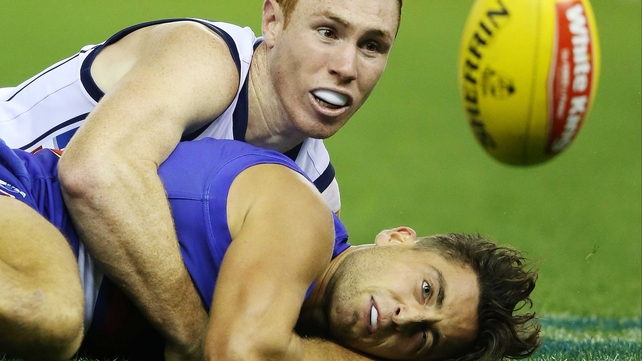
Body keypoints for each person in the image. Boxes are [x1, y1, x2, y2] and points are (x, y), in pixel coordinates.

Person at [0, 0, 403, 357]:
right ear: (274, 21)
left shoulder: (314, 192)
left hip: (43, 246)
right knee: (49, 312)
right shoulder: (208, 58)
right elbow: (94, 174)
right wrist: (195, 337)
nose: (346, 68)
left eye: (372, 46)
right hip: (12, 178)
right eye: (328, 32)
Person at [0, 137, 541, 361]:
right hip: (20, 195)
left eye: (425, 337)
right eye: (427, 288)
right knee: (53, 313)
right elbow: (236, 352)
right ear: (399, 239)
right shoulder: (305, 222)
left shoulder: (298, 313)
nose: (407, 316)